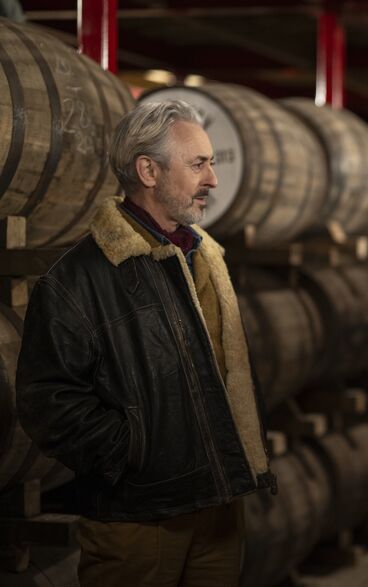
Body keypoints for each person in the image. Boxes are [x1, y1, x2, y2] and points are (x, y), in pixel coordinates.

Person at [16, 100, 275, 586]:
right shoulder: (80, 278)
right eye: (198, 164)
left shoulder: (205, 258)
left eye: (212, 163)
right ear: (148, 170)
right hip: (140, 516)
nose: (213, 179)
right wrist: (134, 455)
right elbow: (46, 400)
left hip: (218, 505)